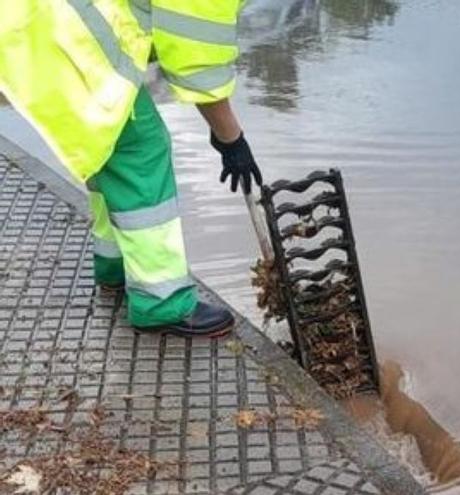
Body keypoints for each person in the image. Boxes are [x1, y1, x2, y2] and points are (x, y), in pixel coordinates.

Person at [0, 0, 263, 338]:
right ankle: (161, 302)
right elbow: (196, 62)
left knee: (109, 141)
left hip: (40, 21)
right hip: (53, 29)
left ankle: (115, 267)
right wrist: (231, 139)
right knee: (141, 150)